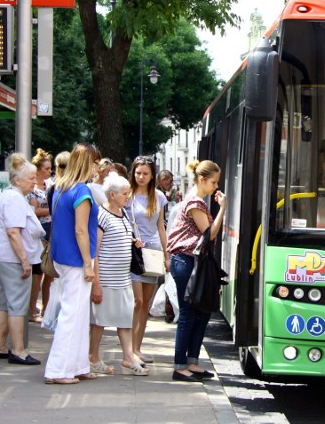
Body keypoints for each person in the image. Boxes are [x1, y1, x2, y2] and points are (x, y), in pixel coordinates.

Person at [44, 143, 102, 385]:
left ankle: (77, 366)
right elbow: (81, 230)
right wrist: (89, 264)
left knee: (77, 314)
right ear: (88, 163)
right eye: (95, 163)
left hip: (63, 257)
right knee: (72, 314)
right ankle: (58, 370)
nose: (98, 168)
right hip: (77, 259)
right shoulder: (81, 192)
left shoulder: (61, 188)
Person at [166, 159, 226, 382]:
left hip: (193, 262)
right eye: (213, 182)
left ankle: (192, 361)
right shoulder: (194, 203)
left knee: (202, 311)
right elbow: (209, 234)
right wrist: (223, 209)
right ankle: (180, 365)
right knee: (190, 313)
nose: (216, 186)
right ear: (202, 180)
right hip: (186, 262)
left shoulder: (196, 201)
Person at [88, 173, 149, 376]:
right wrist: (96, 283)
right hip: (106, 278)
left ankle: (128, 356)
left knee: (124, 318)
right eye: (124, 193)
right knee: (100, 320)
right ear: (112, 195)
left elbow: (122, 238)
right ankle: (93, 357)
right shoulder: (101, 215)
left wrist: (134, 243)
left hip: (123, 278)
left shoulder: (124, 214)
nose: (127, 196)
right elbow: (94, 251)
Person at [0, 154, 44, 366]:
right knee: (18, 305)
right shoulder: (14, 199)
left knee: (6, 303)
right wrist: (25, 261)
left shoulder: (10, 196)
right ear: (18, 179)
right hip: (12, 259)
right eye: (30, 178)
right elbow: (13, 232)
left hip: (4, 257)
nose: (34, 181)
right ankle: (18, 350)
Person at [126, 155, 169, 364]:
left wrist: (167, 255)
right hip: (134, 252)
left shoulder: (158, 197)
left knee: (145, 304)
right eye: (138, 173)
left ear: (152, 176)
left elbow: (161, 227)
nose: (141, 177)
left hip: (152, 252)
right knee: (137, 301)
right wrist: (132, 239)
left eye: (145, 173)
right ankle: (130, 350)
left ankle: (137, 347)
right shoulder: (128, 195)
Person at [28, 148, 53, 323]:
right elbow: (33, 211)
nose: (49, 171)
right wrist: (51, 209)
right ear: (37, 170)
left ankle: (47, 309)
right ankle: (31, 309)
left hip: (53, 230)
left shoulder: (51, 186)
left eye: (50, 168)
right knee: (38, 272)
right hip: (39, 233)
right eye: (46, 168)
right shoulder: (32, 189)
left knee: (49, 272)